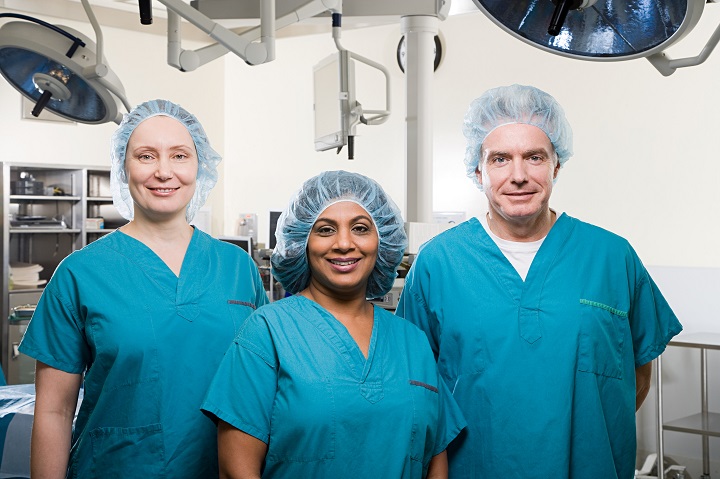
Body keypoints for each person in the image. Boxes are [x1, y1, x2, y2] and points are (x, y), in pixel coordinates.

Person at [395, 84, 683, 479]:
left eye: (534, 157)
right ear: (478, 171)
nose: (518, 175)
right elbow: (416, 384)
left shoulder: (612, 257)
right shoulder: (438, 263)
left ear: (556, 166)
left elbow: (638, 373)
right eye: (500, 159)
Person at [19, 99, 268, 478]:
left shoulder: (238, 268)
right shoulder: (79, 274)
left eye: (180, 156)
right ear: (124, 166)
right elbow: (54, 412)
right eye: (146, 156)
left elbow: (262, 389)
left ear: (200, 166)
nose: (164, 172)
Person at [201, 170, 466, 479]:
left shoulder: (413, 341)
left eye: (360, 228)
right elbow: (237, 471)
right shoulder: (267, 332)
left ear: (382, 240)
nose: (344, 243)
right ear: (301, 242)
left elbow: (435, 462)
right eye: (325, 229)